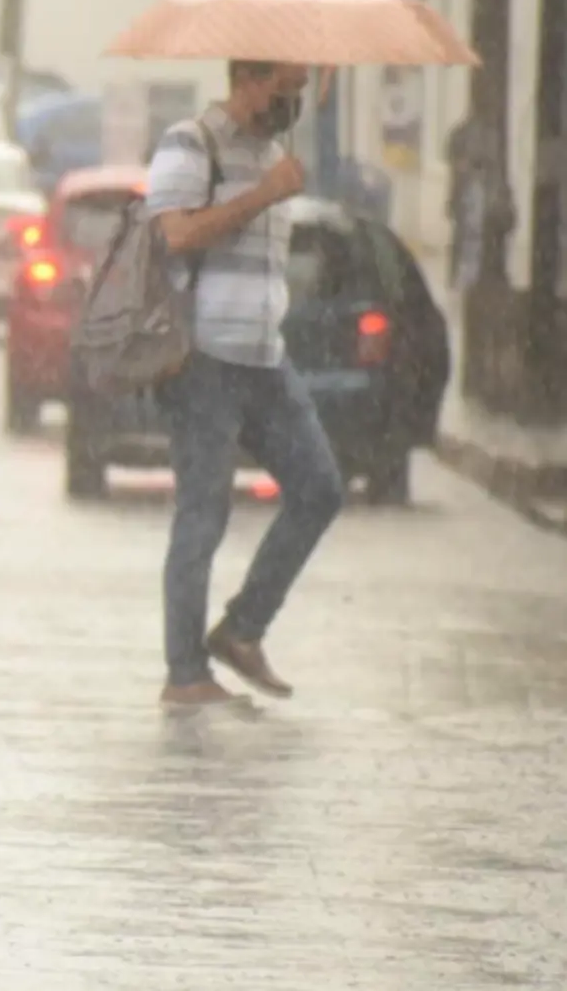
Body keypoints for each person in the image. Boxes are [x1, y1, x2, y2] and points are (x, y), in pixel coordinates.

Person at [145, 60, 346, 711]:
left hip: (265, 357)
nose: (294, 100)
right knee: (203, 515)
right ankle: (184, 675)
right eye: (286, 86)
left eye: (301, 87)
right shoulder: (190, 142)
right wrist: (264, 194)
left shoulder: (273, 151)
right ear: (250, 80)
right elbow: (175, 234)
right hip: (203, 357)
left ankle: (242, 629)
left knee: (318, 489)